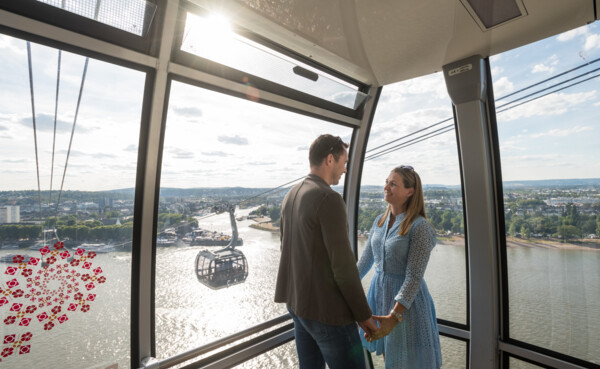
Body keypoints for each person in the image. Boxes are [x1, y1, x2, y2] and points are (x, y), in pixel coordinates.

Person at [275, 134, 378, 369]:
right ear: (330, 159)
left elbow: (287, 250)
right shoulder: (329, 198)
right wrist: (364, 316)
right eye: (344, 162)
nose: (345, 169)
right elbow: (343, 268)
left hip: (299, 306)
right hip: (328, 315)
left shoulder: (291, 194)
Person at [357, 165, 442, 368]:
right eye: (387, 181)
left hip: (406, 306)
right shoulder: (379, 221)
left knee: (408, 361)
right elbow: (364, 262)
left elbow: (413, 278)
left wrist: (394, 317)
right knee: (390, 356)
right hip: (381, 296)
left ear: (410, 191)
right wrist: (340, 287)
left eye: (393, 183)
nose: (386, 186)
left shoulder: (420, 227)